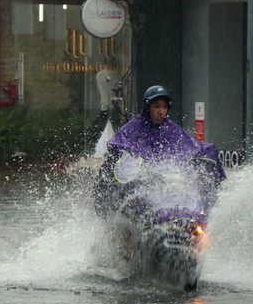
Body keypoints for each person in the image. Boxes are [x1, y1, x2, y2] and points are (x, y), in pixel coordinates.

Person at [94, 85, 225, 215]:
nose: (161, 111)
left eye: (164, 107)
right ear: (148, 107)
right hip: (139, 191)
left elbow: (193, 149)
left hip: (168, 193)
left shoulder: (172, 129)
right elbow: (118, 151)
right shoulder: (133, 128)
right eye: (157, 106)